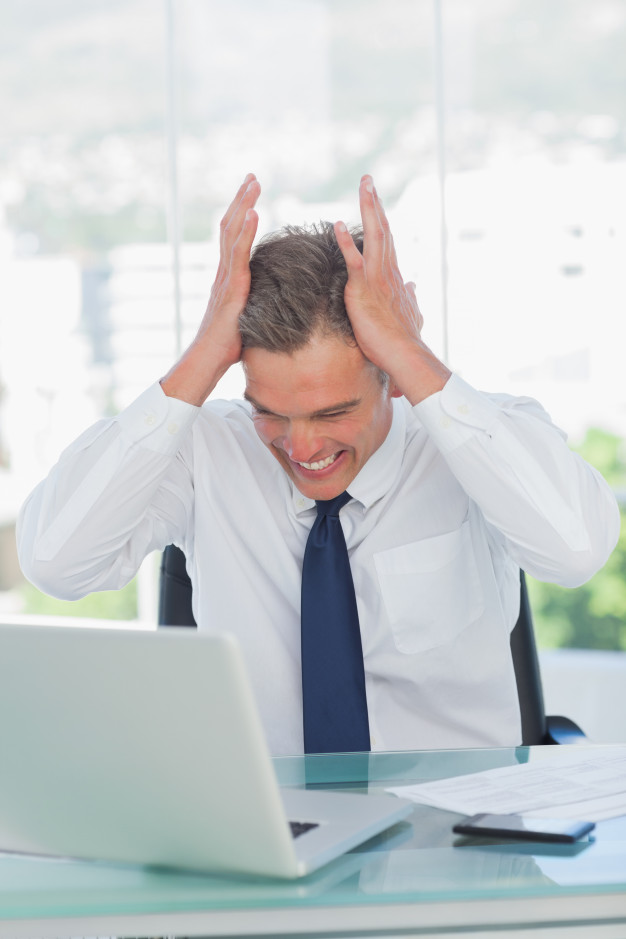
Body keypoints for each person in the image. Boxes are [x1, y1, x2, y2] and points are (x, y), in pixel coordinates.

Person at [17, 173, 620, 755]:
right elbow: (55, 562)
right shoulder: (206, 452)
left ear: (392, 377)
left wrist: (410, 351)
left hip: (455, 815)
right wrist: (204, 352)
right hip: (269, 818)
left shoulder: (478, 441)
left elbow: (576, 550)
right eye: (270, 412)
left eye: (333, 412)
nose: (302, 448)